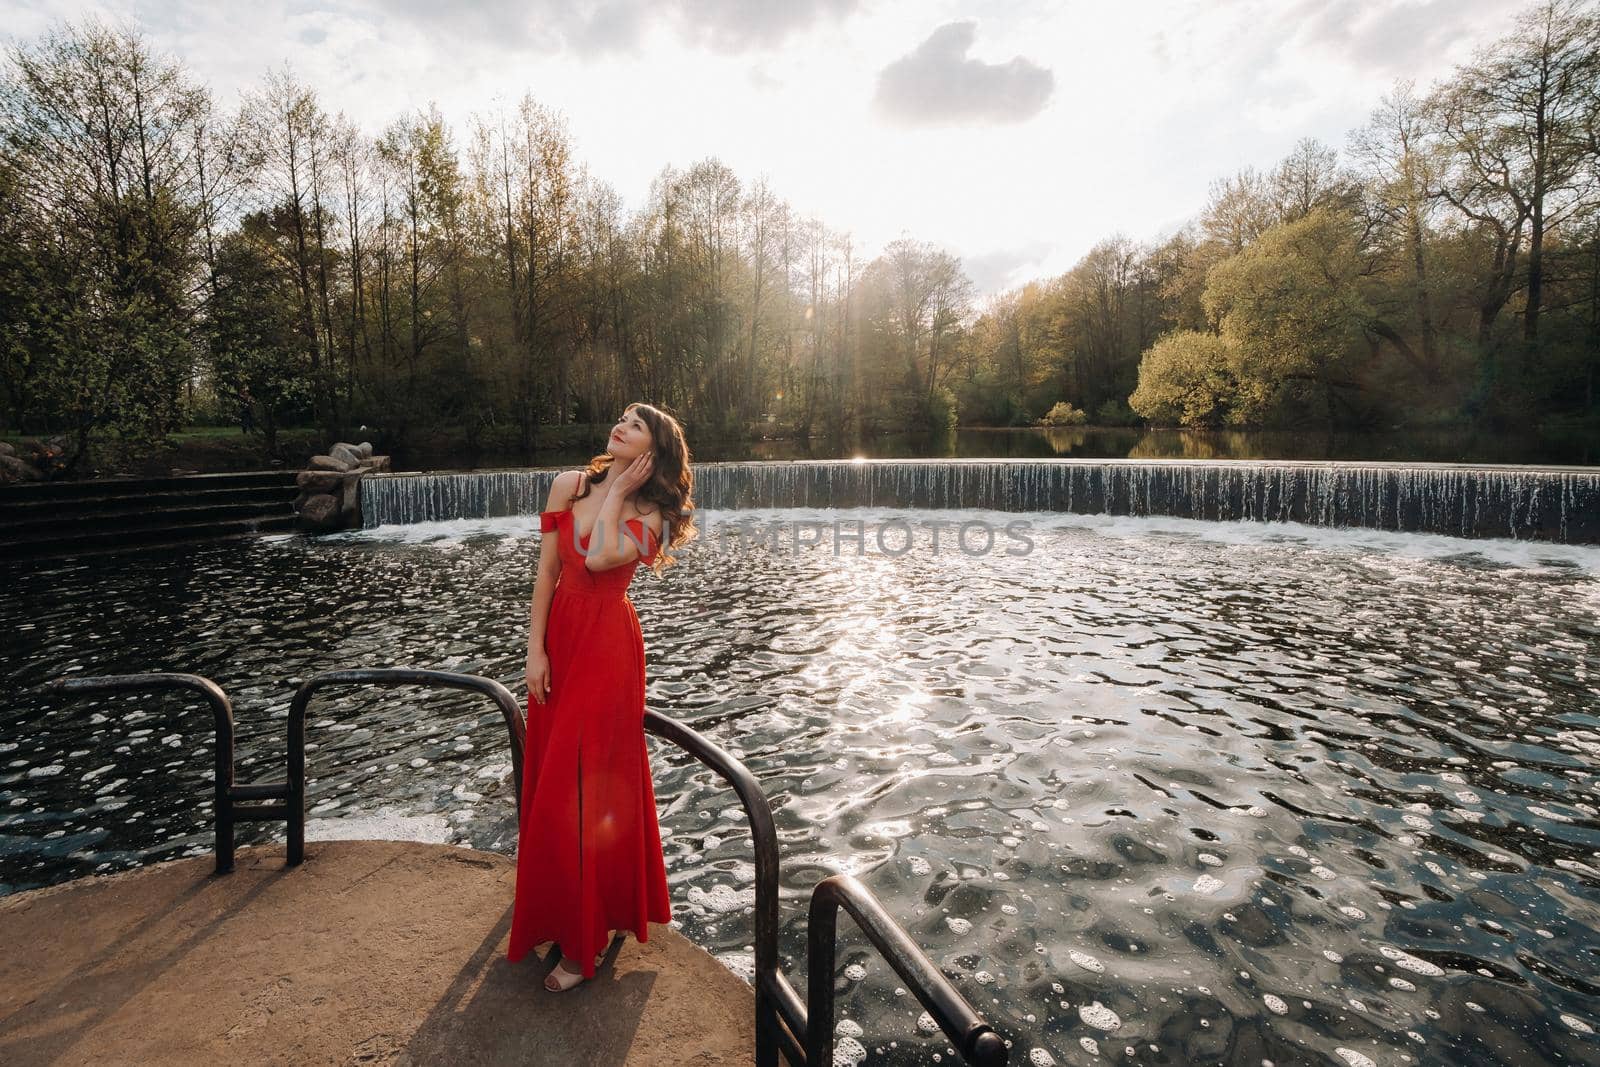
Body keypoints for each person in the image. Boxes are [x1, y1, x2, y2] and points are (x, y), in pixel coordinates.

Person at [507, 402, 697, 993]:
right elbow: (547, 574)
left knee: (585, 784)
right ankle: (563, 910)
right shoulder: (566, 484)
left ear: (654, 449)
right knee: (553, 780)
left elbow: (593, 558)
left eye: (635, 424)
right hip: (561, 637)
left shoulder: (659, 512)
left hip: (608, 649)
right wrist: (534, 651)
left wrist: (616, 496)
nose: (619, 425)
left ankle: (581, 944)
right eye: (619, 417)